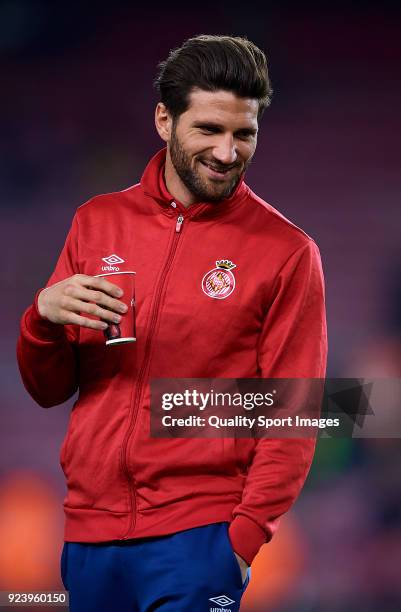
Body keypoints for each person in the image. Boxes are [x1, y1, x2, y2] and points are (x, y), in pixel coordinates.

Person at [17, 34, 327, 612]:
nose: (228, 152)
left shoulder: (286, 252)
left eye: (244, 134)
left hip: (199, 540)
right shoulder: (97, 222)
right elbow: (48, 389)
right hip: (89, 538)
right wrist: (42, 320)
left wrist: (241, 539)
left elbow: (297, 409)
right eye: (209, 129)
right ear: (165, 120)